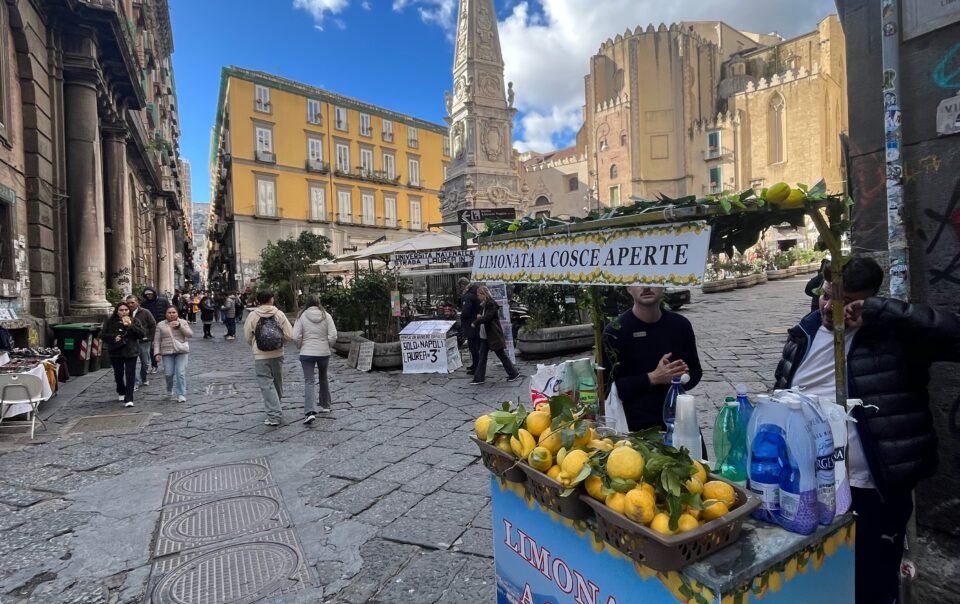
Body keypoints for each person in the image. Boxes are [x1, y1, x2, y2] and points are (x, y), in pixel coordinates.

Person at [774, 256, 960, 604]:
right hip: (810, 484)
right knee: (820, 578)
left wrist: (883, 312)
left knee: (872, 583)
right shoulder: (806, 331)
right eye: (826, 295)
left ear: (867, 300)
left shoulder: (895, 336)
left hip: (871, 490)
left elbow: (954, 336)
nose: (829, 307)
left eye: (844, 300)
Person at [602, 286, 703, 432]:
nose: (646, 287)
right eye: (638, 281)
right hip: (633, 428)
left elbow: (695, 371)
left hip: (678, 420)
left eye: (651, 280)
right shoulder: (614, 332)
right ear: (629, 288)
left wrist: (680, 377)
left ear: (662, 284)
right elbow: (607, 388)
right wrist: (653, 378)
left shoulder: (681, 325)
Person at [243, 290, 293, 426]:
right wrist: (280, 343)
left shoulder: (253, 315)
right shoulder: (279, 314)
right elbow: (289, 334)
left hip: (260, 355)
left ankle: (274, 414)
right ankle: (277, 407)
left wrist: (254, 344)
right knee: (277, 382)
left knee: (266, 384)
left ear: (258, 301)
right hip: (277, 353)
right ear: (271, 299)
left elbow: (247, 336)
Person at [292, 296, 338, 423]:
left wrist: (300, 346)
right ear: (319, 303)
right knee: (323, 377)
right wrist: (328, 345)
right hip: (323, 352)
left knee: (309, 381)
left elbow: (295, 336)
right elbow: (333, 335)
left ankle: (310, 411)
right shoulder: (326, 316)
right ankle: (325, 405)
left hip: (307, 352)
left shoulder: (301, 316)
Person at [470, 285, 521, 385]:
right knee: (482, 357)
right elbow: (483, 316)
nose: (477, 297)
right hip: (485, 335)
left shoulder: (491, 304)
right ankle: (479, 378)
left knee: (501, 355)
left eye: (478, 295)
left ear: (483, 294)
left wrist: (476, 322)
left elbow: (488, 317)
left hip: (493, 335)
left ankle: (513, 373)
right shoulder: (483, 305)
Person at [100, 302, 144, 407]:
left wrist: (131, 326)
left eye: (126, 310)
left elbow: (141, 334)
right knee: (118, 374)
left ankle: (129, 398)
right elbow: (102, 334)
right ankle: (121, 390)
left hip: (131, 351)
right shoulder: (110, 321)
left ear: (129, 311)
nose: (124, 312)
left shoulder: (135, 321)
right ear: (117, 311)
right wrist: (113, 337)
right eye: (121, 310)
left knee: (130, 374)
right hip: (116, 351)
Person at [153, 306, 192, 403]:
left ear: (177, 313)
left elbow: (190, 335)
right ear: (166, 314)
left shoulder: (183, 322)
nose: (171, 314)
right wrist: (157, 353)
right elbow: (157, 340)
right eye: (169, 312)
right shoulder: (160, 324)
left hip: (181, 351)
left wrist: (180, 326)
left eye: (173, 312)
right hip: (167, 351)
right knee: (168, 374)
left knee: (180, 373)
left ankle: (181, 394)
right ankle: (169, 389)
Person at [125, 295, 157, 388]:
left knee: (145, 362)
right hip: (131, 342)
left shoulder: (145, 312)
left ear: (137, 302)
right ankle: (134, 382)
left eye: (132, 302)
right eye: (128, 303)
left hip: (144, 341)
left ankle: (144, 377)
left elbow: (153, 325)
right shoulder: (125, 313)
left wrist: (150, 337)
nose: (130, 305)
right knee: (132, 363)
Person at [141, 287, 169, 373]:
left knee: (166, 346)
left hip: (164, 326)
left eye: (150, 294)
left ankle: (167, 365)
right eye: (146, 295)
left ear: (154, 294)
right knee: (153, 347)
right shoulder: (144, 304)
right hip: (151, 328)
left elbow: (169, 311)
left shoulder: (163, 301)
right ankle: (154, 365)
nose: (148, 296)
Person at [459, 279, 481, 373]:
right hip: (476, 323)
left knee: (473, 347)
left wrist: (462, 317)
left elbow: (465, 312)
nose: (460, 289)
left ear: (463, 285)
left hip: (470, 324)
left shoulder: (468, 296)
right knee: (475, 347)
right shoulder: (475, 292)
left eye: (460, 286)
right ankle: (475, 365)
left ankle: (476, 367)